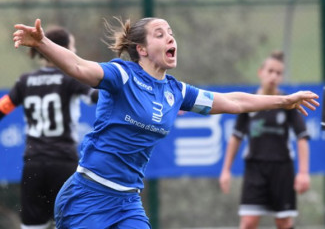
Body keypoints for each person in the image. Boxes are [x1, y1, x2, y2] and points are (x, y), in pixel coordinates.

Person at [12, 18, 318, 229]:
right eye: (160, 33)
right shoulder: (122, 75)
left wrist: (283, 100)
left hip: (127, 200)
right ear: (142, 49)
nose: (170, 37)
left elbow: (234, 102)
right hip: (87, 196)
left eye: (171, 32)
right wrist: (43, 44)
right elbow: (78, 66)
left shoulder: (176, 91)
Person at [1, 26, 98, 229]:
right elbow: (96, 97)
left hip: (33, 165)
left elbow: (3, 108)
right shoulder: (71, 78)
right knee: (73, 224)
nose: (75, 52)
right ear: (60, 50)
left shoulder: (25, 81)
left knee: (32, 226)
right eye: (72, 47)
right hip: (63, 163)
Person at [219, 51, 311, 229]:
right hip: (255, 168)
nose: (274, 76)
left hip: (282, 169)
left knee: (283, 222)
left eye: (278, 73)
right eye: (270, 71)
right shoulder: (249, 103)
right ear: (260, 72)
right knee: (248, 222)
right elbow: (236, 137)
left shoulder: (289, 103)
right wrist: (226, 170)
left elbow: (302, 137)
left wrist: (304, 173)